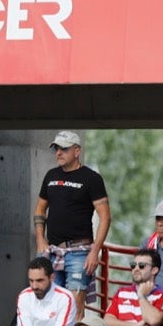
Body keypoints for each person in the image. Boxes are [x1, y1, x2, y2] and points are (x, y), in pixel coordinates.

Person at [34, 131, 110, 315]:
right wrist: (40, 240)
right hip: (52, 251)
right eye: (56, 148)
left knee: (74, 308)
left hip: (79, 252)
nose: (58, 153)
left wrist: (94, 251)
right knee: (48, 307)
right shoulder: (51, 175)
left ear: (77, 151)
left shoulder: (92, 178)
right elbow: (40, 209)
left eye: (64, 149)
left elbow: (105, 217)